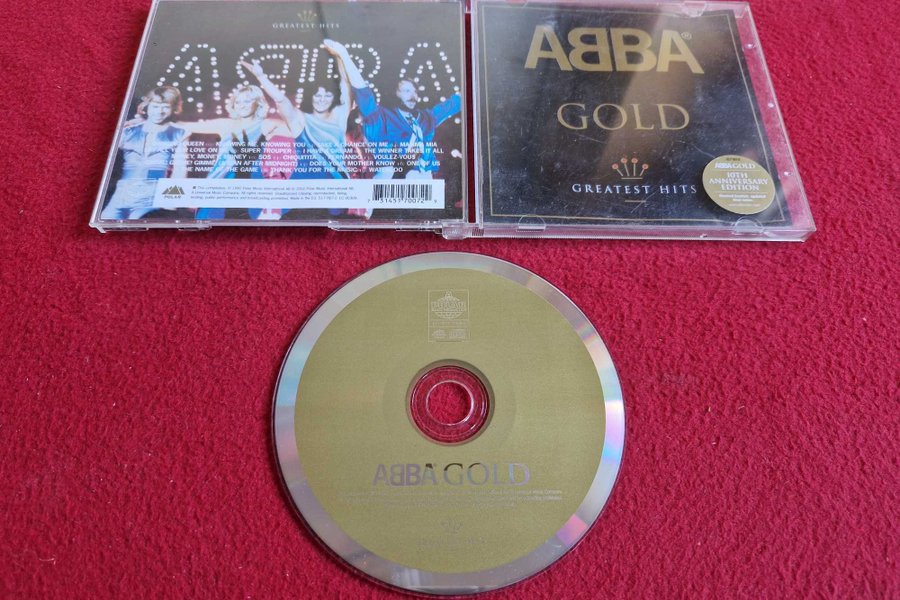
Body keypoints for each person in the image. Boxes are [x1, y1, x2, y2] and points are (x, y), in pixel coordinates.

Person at [326, 42, 461, 179]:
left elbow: (454, 103)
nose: (413, 96)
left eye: (415, 91)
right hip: (389, 178)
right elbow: (362, 91)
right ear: (395, 94)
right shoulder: (380, 116)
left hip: (425, 178)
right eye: (406, 91)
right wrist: (344, 55)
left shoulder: (426, 117)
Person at [243, 39, 353, 181]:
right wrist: (261, 77)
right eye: (317, 95)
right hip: (304, 184)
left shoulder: (339, 117)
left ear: (333, 98)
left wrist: (340, 56)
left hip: (335, 184)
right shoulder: (301, 121)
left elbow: (346, 85)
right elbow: (280, 99)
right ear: (310, 97)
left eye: (327, 95)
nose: (322, 99)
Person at [100, 87, 189, 219]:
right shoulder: (128, 131)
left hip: (152, 198)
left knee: (139, 223)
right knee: (105, 218)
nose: (159, 111)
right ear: (147, 106)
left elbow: (180, 169)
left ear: (174, 108)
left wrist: (171, 201)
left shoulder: (179, 133)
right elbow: (107, 156)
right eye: (155, 106)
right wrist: (124, 125)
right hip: (120, 197)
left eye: (165, 107)